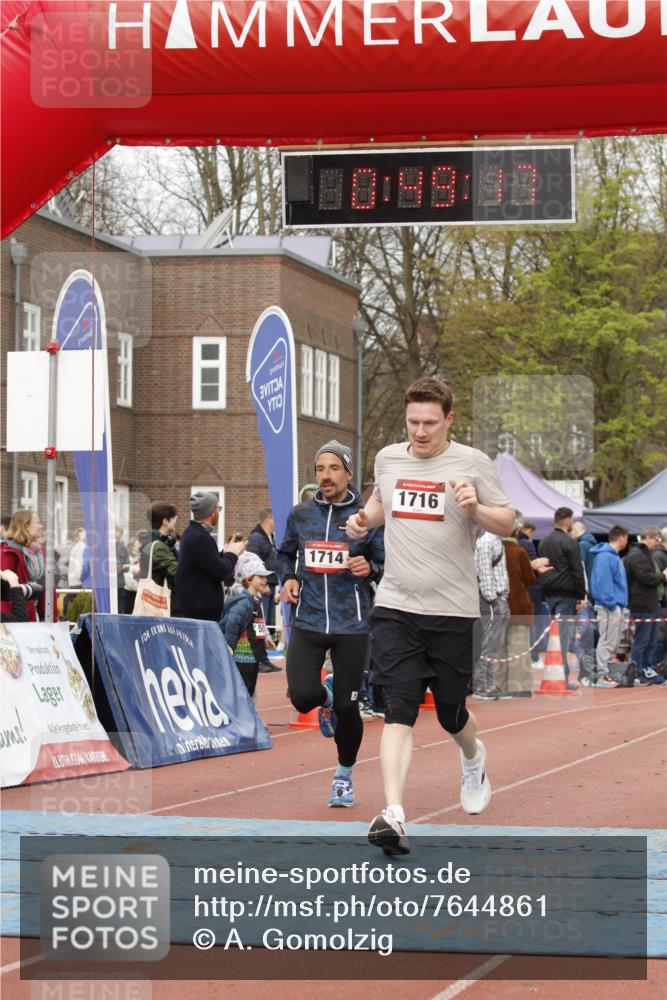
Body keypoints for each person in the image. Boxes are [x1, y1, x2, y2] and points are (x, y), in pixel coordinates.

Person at [346, 377, 514, 855]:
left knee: (449, 712)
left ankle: (472, 756)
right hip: (396, 606)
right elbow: (378, 507)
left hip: (453, 611)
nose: (420, 432)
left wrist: (475, 506)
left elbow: (509, 521)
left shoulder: (472, 462)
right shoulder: (388, 458)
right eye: (413, 422)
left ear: (449, 420)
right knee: (397, 709)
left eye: (430, 423)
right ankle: (394, 813)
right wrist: (362, 521)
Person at [277, 440, 384, 809]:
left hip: (351, 624)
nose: (325, 475)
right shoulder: (301, 514)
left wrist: (370, 567)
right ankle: (324, 697)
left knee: (348, 708)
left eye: (333, 468)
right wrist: (288, 577)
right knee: (301, 696)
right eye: (320, 468)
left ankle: (343, 776)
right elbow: (285, 552)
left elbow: (385, 562)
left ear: (348, 473)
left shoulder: (366, 517)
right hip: (308, 618)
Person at [175, 492, 246, 621]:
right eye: (218, 509)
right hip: (201, 612)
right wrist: (232, 554)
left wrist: (224, 553)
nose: (219, 513)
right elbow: (221, 572)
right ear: (212, 512)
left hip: (195, 607)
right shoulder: (201, 537)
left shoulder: (190, 532)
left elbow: (206, 563)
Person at [537, 507, 586, 690]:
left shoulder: (544, 541)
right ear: (568, 521)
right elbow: (577, 570)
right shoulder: (570, 542)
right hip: (566, 594)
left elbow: (542, 567)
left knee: (553, 636)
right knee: (563, 637)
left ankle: (555, 674)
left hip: (549, 592)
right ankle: (563, 678)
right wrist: (581, 595)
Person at [501, 514, 545, 697]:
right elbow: (529, 579)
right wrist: (536, 568)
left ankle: (500, 685)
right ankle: (519, 687)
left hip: (497, 605)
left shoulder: (493, 549)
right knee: (518, 647)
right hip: (518, 604)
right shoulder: (519, 552)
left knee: (500, 648)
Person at [220, 553, 274, 698]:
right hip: (243, 655)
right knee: (243, 689)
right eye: (260, 577)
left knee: (250, 687)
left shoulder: (256, 600)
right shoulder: (244, 601)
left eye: (265, 577)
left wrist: (265, 638)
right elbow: (232, 623)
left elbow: (258, 622)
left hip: (253, 654)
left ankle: (248, 716)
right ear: (249, 579)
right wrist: (229, 647)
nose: (265, 580)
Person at [624, 525, 667, 685]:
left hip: (651, 603)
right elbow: (646, 577)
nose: (657, 542)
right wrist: (662, 576)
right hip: (642, 603)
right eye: (656, 539)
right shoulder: (636, 555)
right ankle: (638, 671)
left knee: (651, 640)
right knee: (642, 640)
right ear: (648, 537)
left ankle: (646, 669)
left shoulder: (644, 554)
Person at [589, 524, 629, 687]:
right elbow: (604, 583)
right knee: (606, 640)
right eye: (626, 538)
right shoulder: (606, 557)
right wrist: (612, 605)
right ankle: (602, 675)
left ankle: (604, 673)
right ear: (621, 538)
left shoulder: (611, 556)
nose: (627, 541)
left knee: (610, 641)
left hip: (613, 605)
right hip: (608, 607)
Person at [473, 530, 509, 699]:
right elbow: (485, 572)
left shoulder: (494, 540)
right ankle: (483, 687)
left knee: (494, 645)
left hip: (497, 597)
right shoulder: (488, 541)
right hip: (492, 598)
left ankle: (490, 685)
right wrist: (492, 599)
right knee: (488, 644)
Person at [246, 508, 281, 672]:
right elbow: (253, 563)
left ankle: (263, 657)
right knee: (259, 622)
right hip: (262, 588)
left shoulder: (269, 538)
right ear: (269, 519)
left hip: (270, 585)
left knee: (264, 622)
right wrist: (263, 584)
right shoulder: (256, 538)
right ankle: (259, 659)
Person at [0, 509, 50, 622]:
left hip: (35, 611)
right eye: (37, 522)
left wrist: (48, 616)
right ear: (26, 525)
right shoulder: (9, 551)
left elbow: (45, 585)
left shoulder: (39, 550)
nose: (41, 526)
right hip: (18, 615)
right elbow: (4, 589)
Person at [138, 504, 179, 612]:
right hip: (161, 604)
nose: (176, 521)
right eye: (174, 518)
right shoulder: (158, 546)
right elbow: (177, 574)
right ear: (165, 521)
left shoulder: (158, 542)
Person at [115, 527, 131, 613]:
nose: (117, 538)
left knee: (120, 610)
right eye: (115, 536)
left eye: (119, 536)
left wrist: (125, 567)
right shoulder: (104, 547)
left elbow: (127, 563)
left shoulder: (122, 547)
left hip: (120, 584)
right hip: (108, 586)